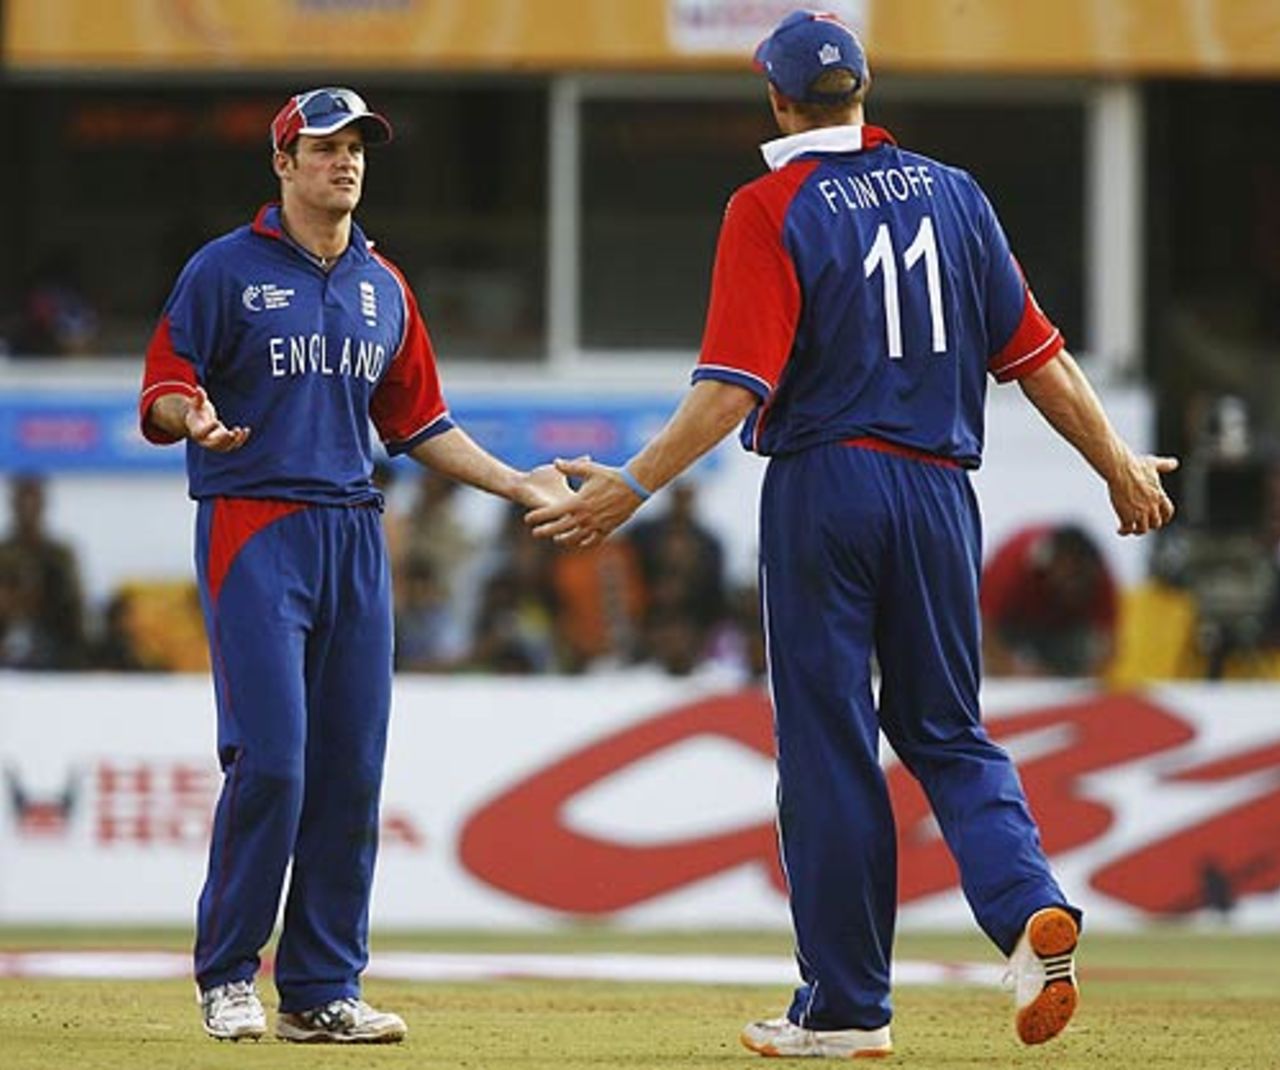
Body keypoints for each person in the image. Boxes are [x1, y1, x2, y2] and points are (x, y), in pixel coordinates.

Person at [527, 11, 1177, 1058]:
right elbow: (1037, 356)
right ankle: (1024, 907)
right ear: (861, 90)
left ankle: (843, 1008)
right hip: (935, 488)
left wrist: (631, 487)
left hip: (825, 485)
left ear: (777, 101)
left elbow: (730, 388)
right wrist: (1115, 462)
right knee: (948, 729)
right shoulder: (954, 193)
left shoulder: (766, 204)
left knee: (829, 745)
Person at [138, 87, 569, 1044]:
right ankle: (227, 975)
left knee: (350, 770)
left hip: (353, 528)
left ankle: (322, 990)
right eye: (325, 147)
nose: (347, 162)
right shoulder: (224, 270)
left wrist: (520, 484)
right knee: (276, 762)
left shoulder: (384, 285)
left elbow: (420, 424)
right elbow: (165, 383)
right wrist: (190, 417)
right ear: (283, 163)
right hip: (255, 523)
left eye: (358, 147)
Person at [981, 523, 1119, 677]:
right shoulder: (1012, 562)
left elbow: (1109, 641)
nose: (1071, 585)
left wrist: (1090, 682)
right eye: (1068, 575)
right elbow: (985, 626)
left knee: (1078, 655)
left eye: (1078, 578)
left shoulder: (1097, 575)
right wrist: (1011, 671)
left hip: (1064, 629)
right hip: (1012, 623)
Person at [0, 474, 87, 670]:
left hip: (54, 645)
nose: (28, 510)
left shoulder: (60, 555)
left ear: (43, 506)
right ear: (13, 505)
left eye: (33, 502)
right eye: (22, 503)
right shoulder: (4, 554)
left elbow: (75, 611)